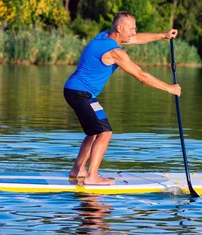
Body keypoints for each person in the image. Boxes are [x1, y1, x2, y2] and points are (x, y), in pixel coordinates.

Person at [64, 11, 181, 185]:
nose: (133, 32)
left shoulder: (104, 36)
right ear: (119, 28)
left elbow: (136, 39)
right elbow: (141, 75)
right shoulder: (114, 52)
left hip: (75, 91)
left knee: (94, 132)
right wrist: (169, 88)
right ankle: (92, 176)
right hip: (81, 93)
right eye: (131, 29)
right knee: (105, 131)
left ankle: (78, 169)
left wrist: (163, 35)